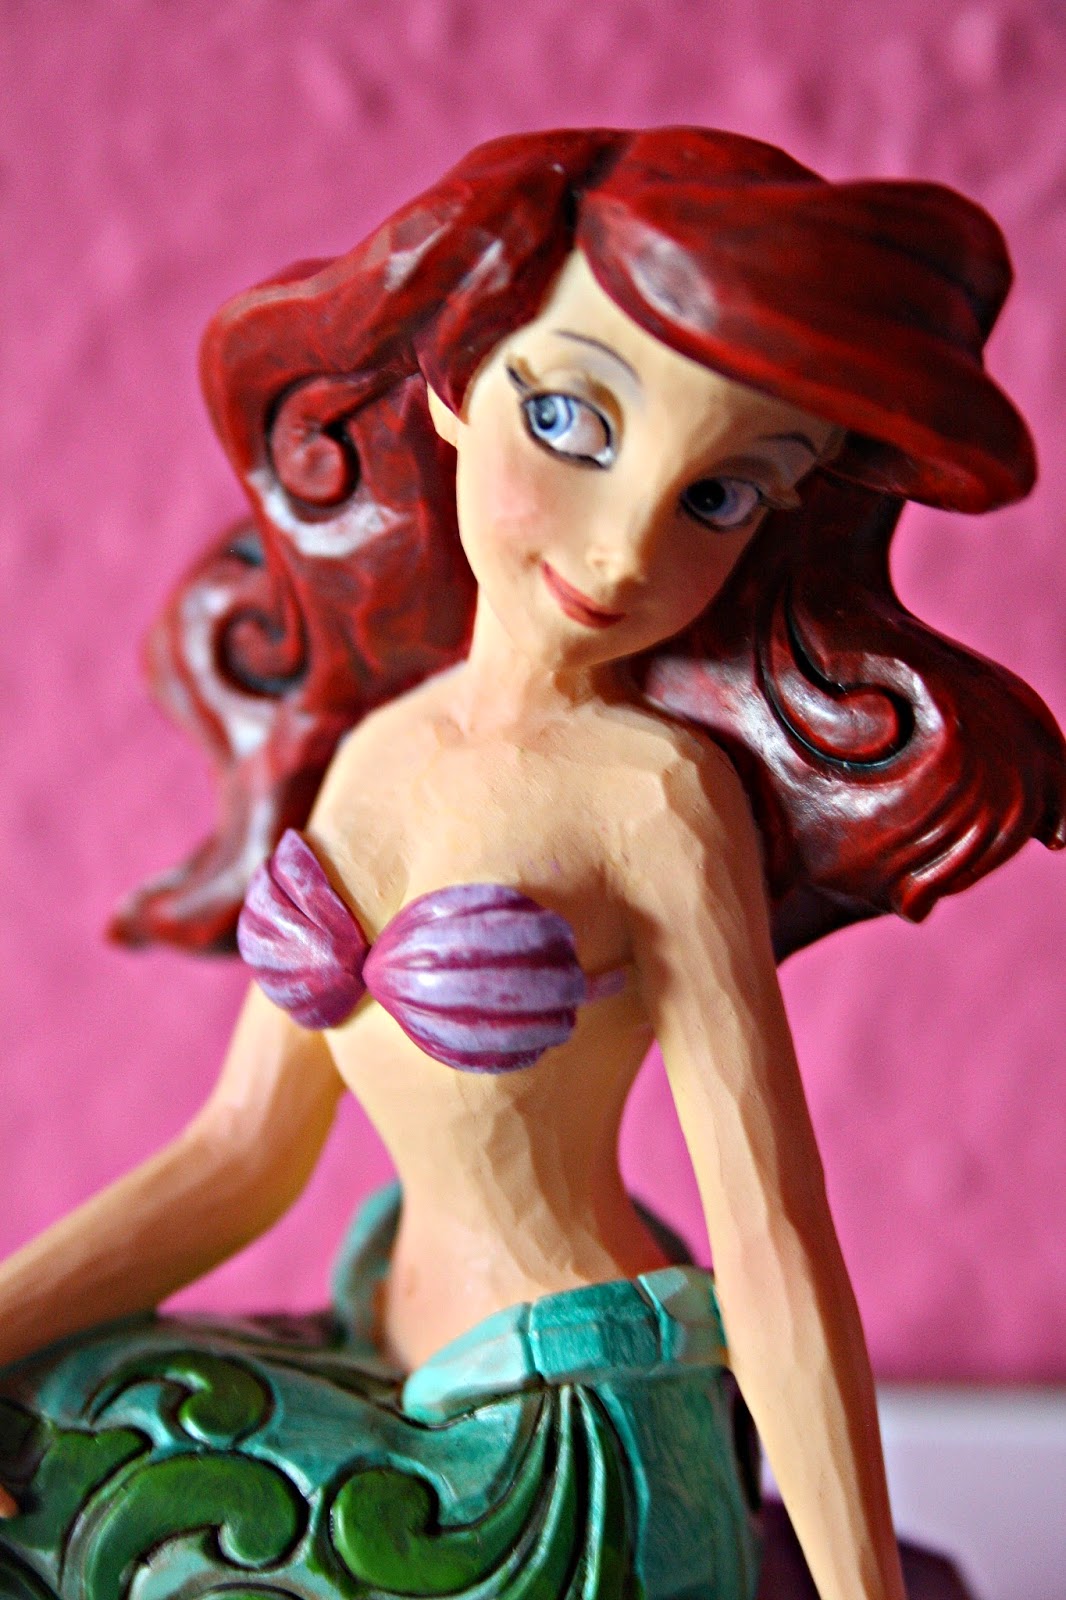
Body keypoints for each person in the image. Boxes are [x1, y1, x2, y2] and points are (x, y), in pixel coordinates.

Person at [0, 127, 1062, 1600]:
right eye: (570, 421)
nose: (624, 550)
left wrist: (859, 1589)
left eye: (720, 496)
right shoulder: (371, 758)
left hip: (574, 1452)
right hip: (388, 1350)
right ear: (453, 381)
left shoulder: (653, 798)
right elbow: (238, 1157)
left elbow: (769, 1239)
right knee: (42, 1426)